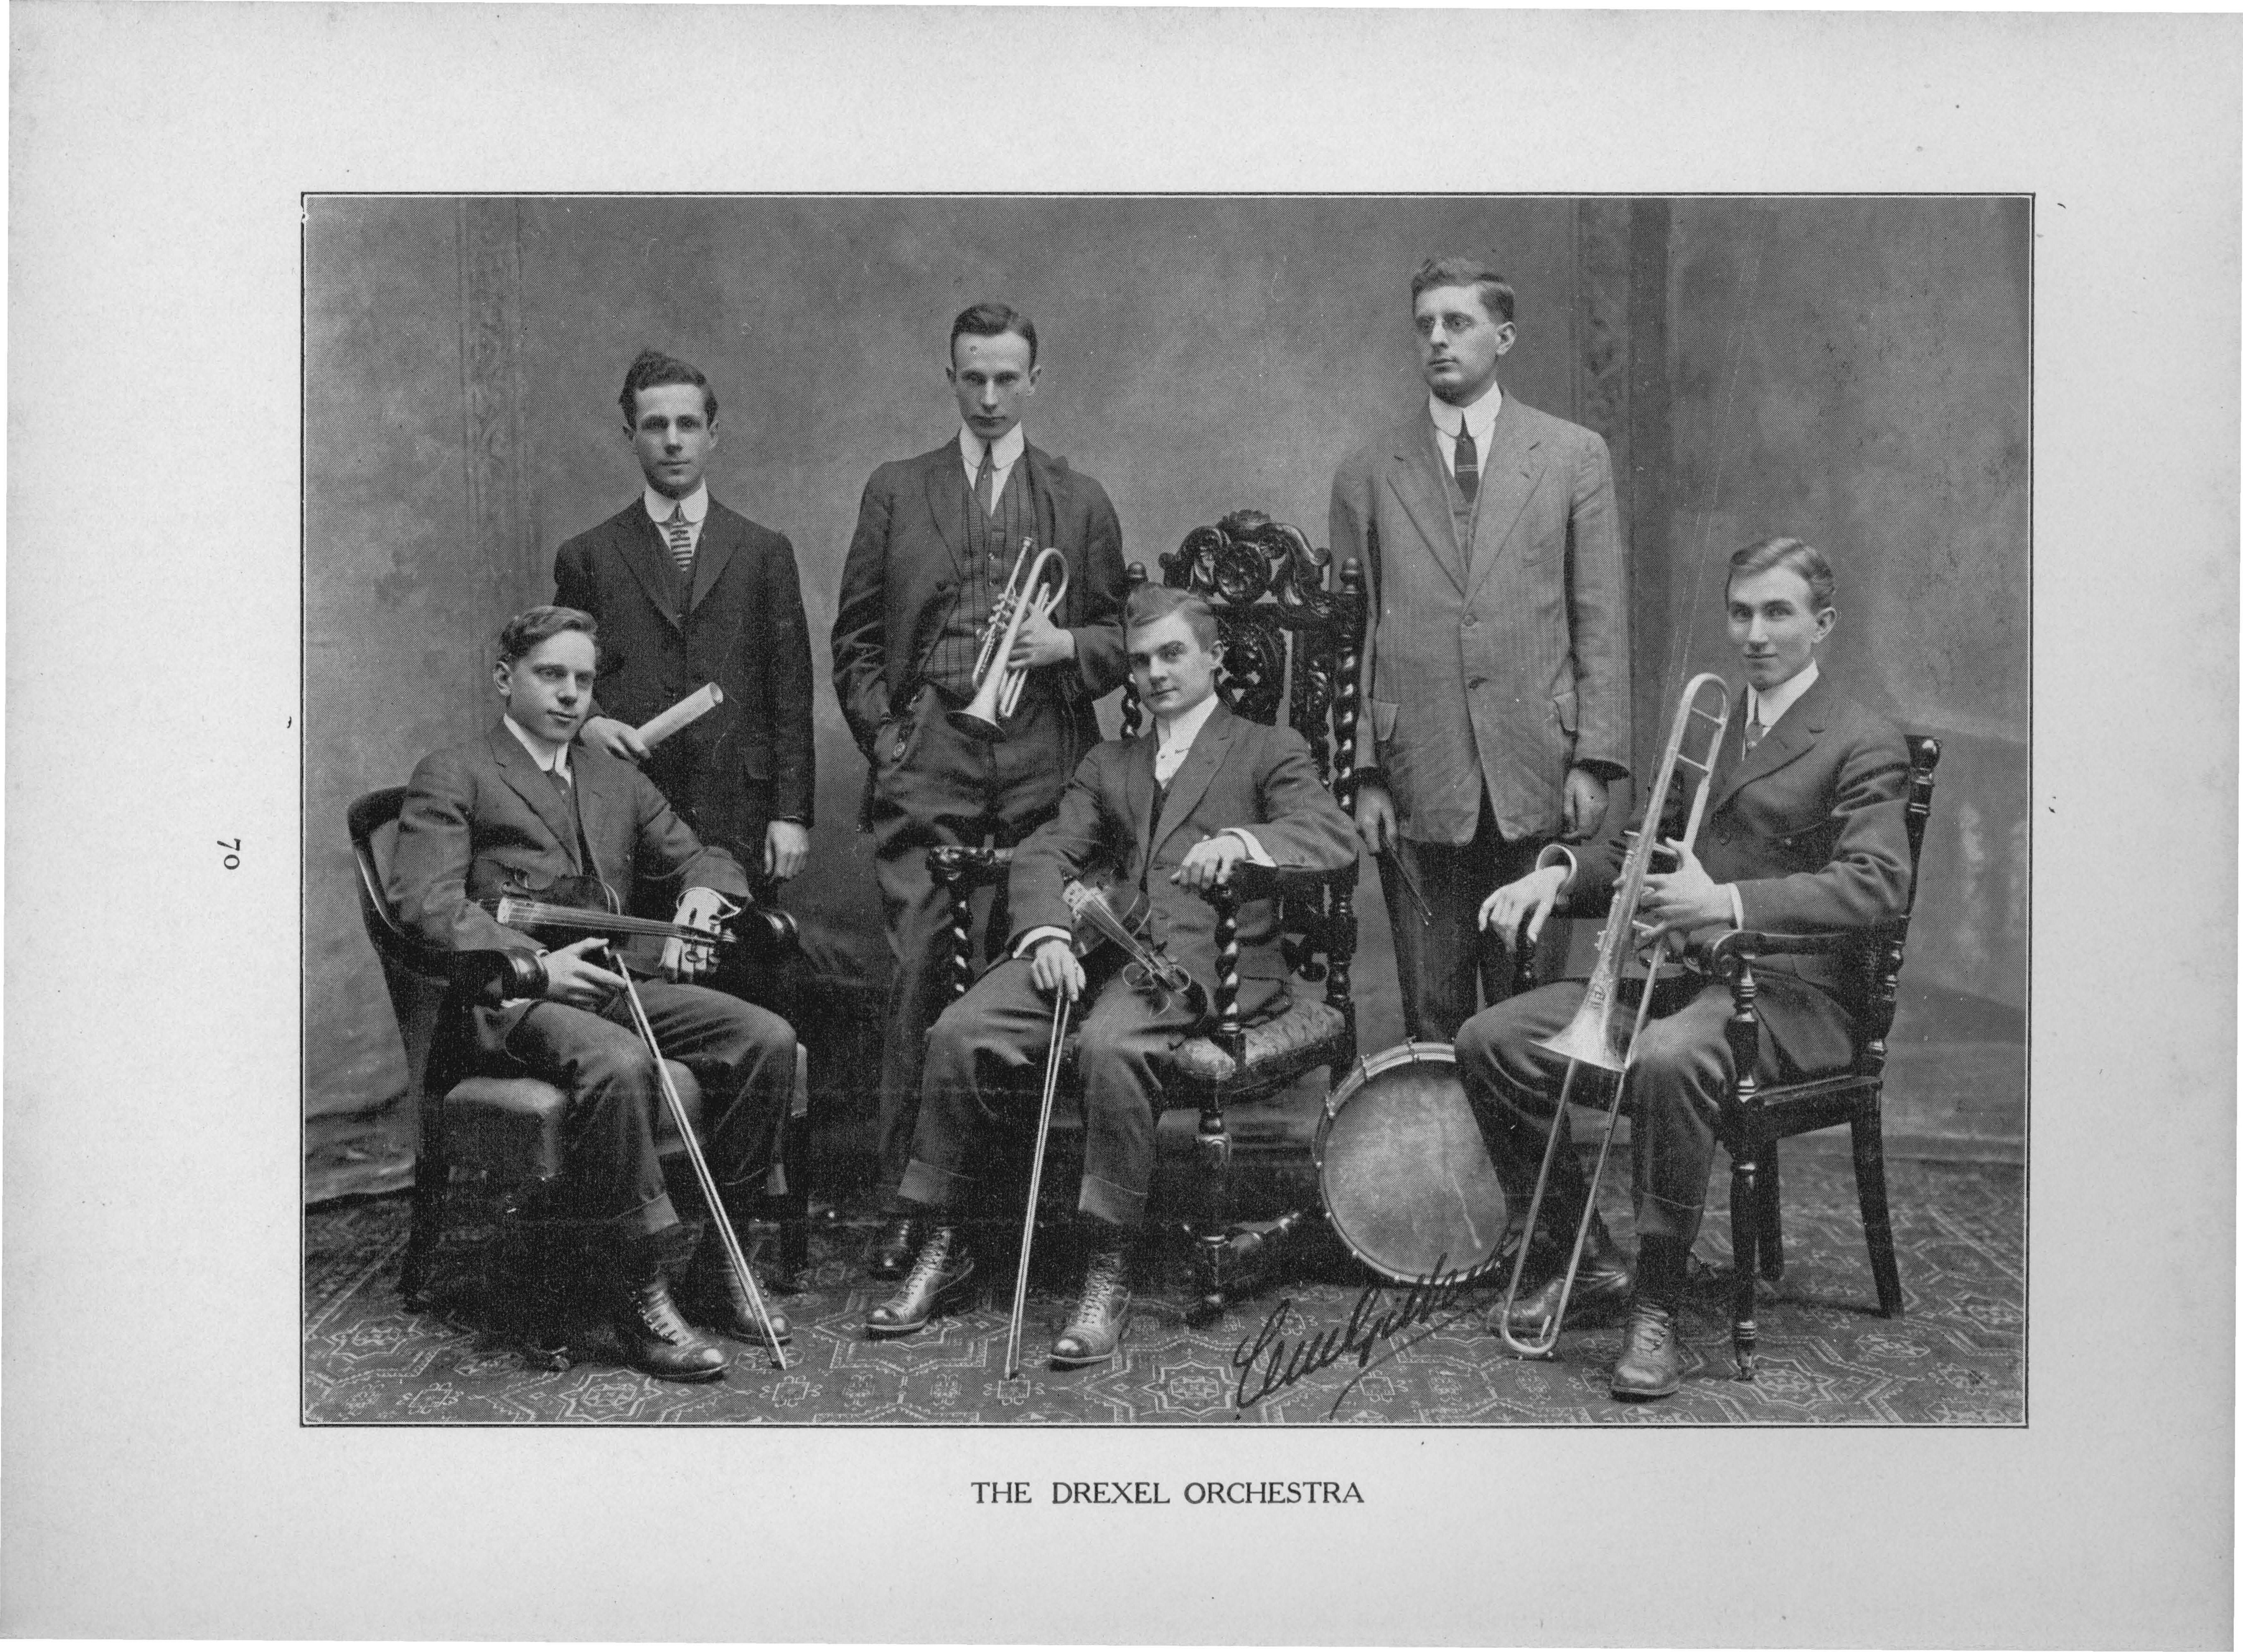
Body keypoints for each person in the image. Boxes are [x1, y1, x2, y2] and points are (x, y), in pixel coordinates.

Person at [1457, 538, 1912, 1401]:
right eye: (1741, 611)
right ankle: (1585, 1259)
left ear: (1823, 625)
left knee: (1668, 1058)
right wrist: (1558, 873)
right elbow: (1638, 847)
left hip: (1790, 998)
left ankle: (1656, 1306)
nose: (1755, 632)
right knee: (1493, 1040)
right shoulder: (1719, 717)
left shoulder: (1861, 738)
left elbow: (1878, 885)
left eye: (1778, 612)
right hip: (1685, 981)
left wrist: (1727, 903)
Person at [865, 585, 1358, 1367]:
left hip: (1208, 965)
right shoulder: (1109, 761)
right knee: (960, 1029)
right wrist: (1048, 932)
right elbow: (1045, 851)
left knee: (1111, 1044)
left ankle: (1107, 1264)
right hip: (1102, 951)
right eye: (1140, 661)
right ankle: (944, 1239)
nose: (1156, 674)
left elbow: (1330, 836)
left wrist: (1240, 840)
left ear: (1213, 659)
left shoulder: (1268, 748)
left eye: (1173, 655)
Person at [388, 605, 798, 1382]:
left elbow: (704, 856)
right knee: (618, 1062)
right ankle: (640, 1289)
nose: (571, 694)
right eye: (551, 675)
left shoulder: (615, 776)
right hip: (510, 1000)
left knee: (764, 1038)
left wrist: (707, 894)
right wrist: (535, 969)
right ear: (505, 680)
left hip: (611, 985)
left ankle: (722, 1256)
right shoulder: (455, 770)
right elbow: (428, 904)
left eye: (583, 679)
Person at [831, 302, 1130, 1279]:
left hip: (1046, 756)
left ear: (1034, 380)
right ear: (950, 378)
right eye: (974, 378)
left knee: (1028, 969)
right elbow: (859, 640)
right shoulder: (896, 488)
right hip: (934, 756)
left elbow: (1126, 639)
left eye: (1008, 378)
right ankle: (907, 1209)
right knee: (920, 971)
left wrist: (1067, 645)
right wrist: (893, 741)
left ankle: (1012, 1210)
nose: (992, 397)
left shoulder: (1079, 501)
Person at [1328, 256, 1632, 1042]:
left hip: (1536, 765)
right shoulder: (1366, 471)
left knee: (1525, 1012)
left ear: (1503, 336)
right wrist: (1364, 773)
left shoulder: (1572, 456)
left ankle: (1524, 1168)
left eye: (1456, 323)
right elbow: (1350, 634)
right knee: (1431, 1012)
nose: (1437, 339)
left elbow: (1597, 614)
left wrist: (1593, 760)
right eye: (1424, 324)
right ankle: (1441, 1166)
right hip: (1414, 770)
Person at [552, 349, 815, 898]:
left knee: (744, 972)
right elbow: (559, 675)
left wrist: (791, 815)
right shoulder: (589, 556)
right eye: (655, 426)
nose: (672, 441)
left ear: (712, 435)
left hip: (740, 815)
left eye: (688, 425)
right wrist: (591, 722)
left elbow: (789, 694)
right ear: (630, 436)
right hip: (631, 810)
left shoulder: (763, 551)